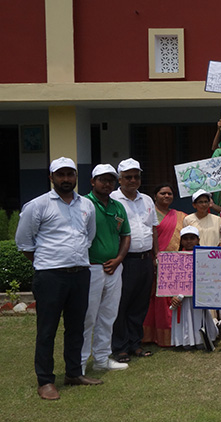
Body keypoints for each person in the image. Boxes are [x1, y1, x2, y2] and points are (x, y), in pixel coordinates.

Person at [16, 157, 100, 400]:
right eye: (60, 174)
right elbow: (24, 242)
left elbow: (89, 236)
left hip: (80, 274)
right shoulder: (38, 205)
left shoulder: (87, 205)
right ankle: (45, 380)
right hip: (50, 276)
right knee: (47, 329)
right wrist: (49, 261)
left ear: (76, 177)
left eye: (70, 174)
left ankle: (74, 373)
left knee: (77, 327)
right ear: (51, 177)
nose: (66, 179)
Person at [82, 164, 131, 374]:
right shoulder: (83, 204)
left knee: (108, 315)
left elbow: (125, 235)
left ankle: (101, 359)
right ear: (92, 181)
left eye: (111, 180)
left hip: (114, 268)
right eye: (102, 179)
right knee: (87, 317)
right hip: (90, 268)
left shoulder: (118, 206)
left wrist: (119, 259)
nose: (107, 184)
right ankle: (79, 363)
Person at [111, 158, 158, 363]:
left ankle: (135, 343)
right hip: (124, 261)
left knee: (140, 304)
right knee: (121, 304)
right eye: (128, 177)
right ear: (119, 179)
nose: (132, 180)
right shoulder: (112, 200)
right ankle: (120, 346)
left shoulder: (146, 200)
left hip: (145, 259)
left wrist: (156, 255)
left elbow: (153, 229)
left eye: (136, 176)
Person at [146, 183, 186, 346]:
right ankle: (148, 335)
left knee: (168, 299)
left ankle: (169, 336)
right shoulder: (148, 214)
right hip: (152, 260)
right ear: (155, 196)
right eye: (163, 193)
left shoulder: (180, 216)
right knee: (151, 298)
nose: (166, 196)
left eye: (169, 194)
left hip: (172, 264)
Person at [170, 226, 219, 349]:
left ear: (198, 240)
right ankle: (185, 341)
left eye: (192, 238)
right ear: (181, 241)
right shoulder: (175, 258)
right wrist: (173, 295)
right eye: (185, 238)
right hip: (181, 296)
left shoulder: (205, 257)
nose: (189, 241)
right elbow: (170, 279)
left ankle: (201, 339)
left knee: (198, 317)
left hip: (199, 296)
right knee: (185, 316)